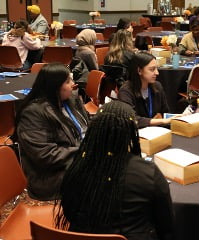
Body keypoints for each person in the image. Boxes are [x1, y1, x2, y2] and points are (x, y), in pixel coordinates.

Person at [55, 101, 174, 239]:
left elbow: (69, 212)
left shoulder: (76, 166)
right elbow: (166, 225)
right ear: (130, 134)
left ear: (94, 131)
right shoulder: (148, 173)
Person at [15, 63, 89, 200]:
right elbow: (45, 154)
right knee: (108, 178)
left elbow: (86, 127)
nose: (73, 84)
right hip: (51, 176)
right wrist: (85, 153)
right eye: (67, 81)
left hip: (78, 160)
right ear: (55, 87)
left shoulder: (70, 100)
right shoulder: (33, 114)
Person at [118, 51, 175, 128]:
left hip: (157, 131)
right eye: (152, 69)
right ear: (139, 71)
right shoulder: (126, 91)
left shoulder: (157, 86)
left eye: (156, 69)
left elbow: (165, 113)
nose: (157, 73)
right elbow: (131, 119)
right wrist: (160, 121)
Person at [101, 29, 136, 99]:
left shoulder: (108, 55)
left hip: (109, 90)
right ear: (129, 41)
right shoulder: (130, 55)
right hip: (128, 90)